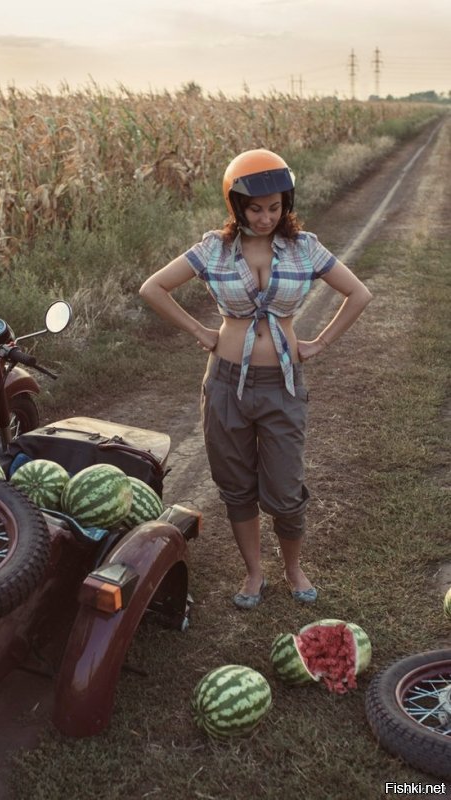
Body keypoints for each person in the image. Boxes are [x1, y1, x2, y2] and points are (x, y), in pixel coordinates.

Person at [139, 148, 372, 608]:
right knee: (236, 483)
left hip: (283, 384)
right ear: (236, 206)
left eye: (275, 207)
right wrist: (202, 331)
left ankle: (293, 568)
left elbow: (358, 293)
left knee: (285, 489)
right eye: (255, 208)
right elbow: (153, 288)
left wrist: (318, 344)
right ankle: (253, 572)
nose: (266, 217)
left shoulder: (306, 247)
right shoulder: (214, 248)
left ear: (286, 204)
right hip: (226, 384)